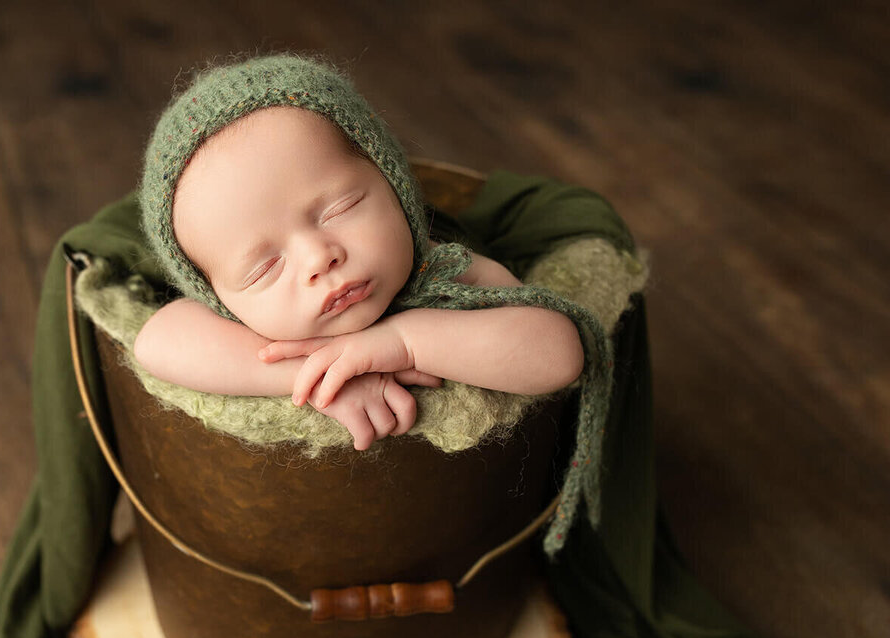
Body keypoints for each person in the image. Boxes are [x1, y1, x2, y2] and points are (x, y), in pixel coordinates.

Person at [133, 101, 584, 451]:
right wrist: (322, 373)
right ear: (216, 297)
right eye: (264, 267)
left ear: (394, 183)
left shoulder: (446, 269)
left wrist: (403, 343)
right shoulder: (238, 321)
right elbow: (155, 340)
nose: (319, 258)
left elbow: (557, 353)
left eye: (340, 208)